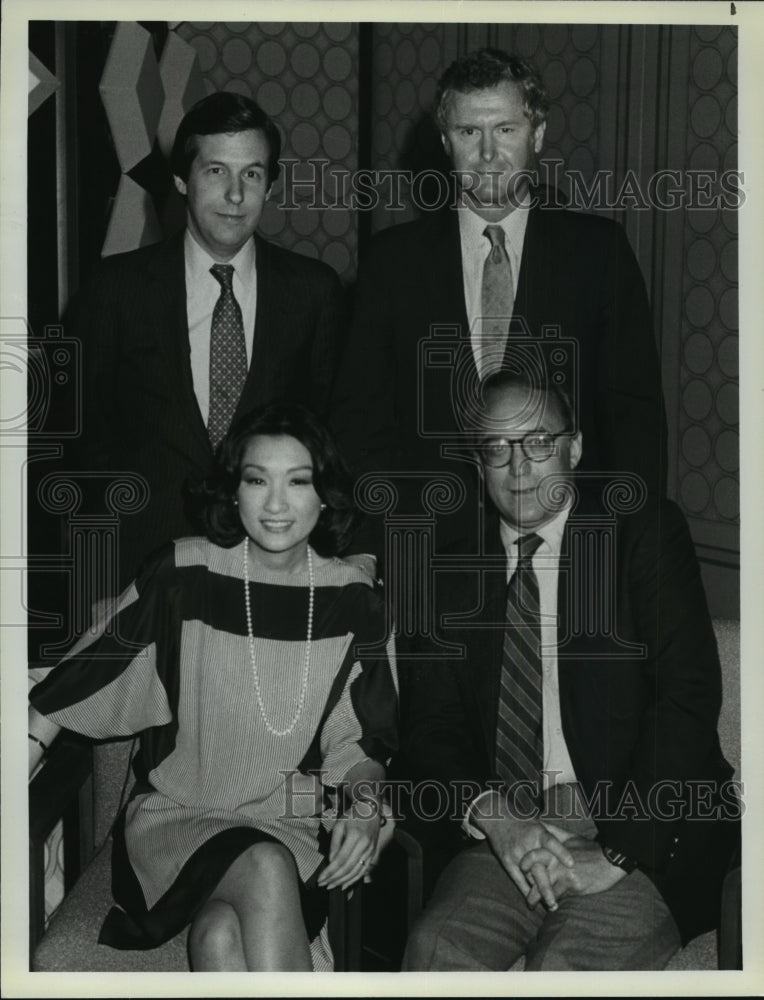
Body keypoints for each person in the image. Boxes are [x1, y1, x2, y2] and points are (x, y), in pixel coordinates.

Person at [28, 402, 398, 972]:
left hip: (287, 822)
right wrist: (24, 752)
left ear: (325, 496)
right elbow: (88, 673)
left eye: (298, 481)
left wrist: (367, 804)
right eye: (256, 480)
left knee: (222, 937)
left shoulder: (354, 601)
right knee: (264, 866)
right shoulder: (184, 574)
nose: (276, 504)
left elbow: (363, 743)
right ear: (233, 492)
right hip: (178, 816)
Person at [398, 371, 738, 971]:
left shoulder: (641, 534)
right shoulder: (446, 573)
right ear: (479, 465)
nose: (519, 468)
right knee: (434, 952)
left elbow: (686, 699)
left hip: (637, 829)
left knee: (562, 968)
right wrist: (499, 821)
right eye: (497, 449)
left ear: (573, 447)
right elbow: (431, 729)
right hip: (509, 835)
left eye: (538, 442)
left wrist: (616, 854)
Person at [330, 48, 667, 578]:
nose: (488, 153)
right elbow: (361, 423)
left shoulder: (597, 253)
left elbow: (634, 419)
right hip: (427, 557)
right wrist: (370, 545)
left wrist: (630, 548)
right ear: (444, 142)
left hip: (565, 554)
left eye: (505, 129)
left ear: (536, 135)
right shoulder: (392, 263)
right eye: (468, 133)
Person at [70, 92, 344, 595]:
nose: (236, 195)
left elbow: (327, 436)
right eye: (217, 172)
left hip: (267, 565)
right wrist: (94, 582)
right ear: (181, 180)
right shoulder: (115, 289)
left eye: (253, 174)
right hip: (136, 571)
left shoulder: (313, 291)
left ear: (271, 185)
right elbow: (82, 443)